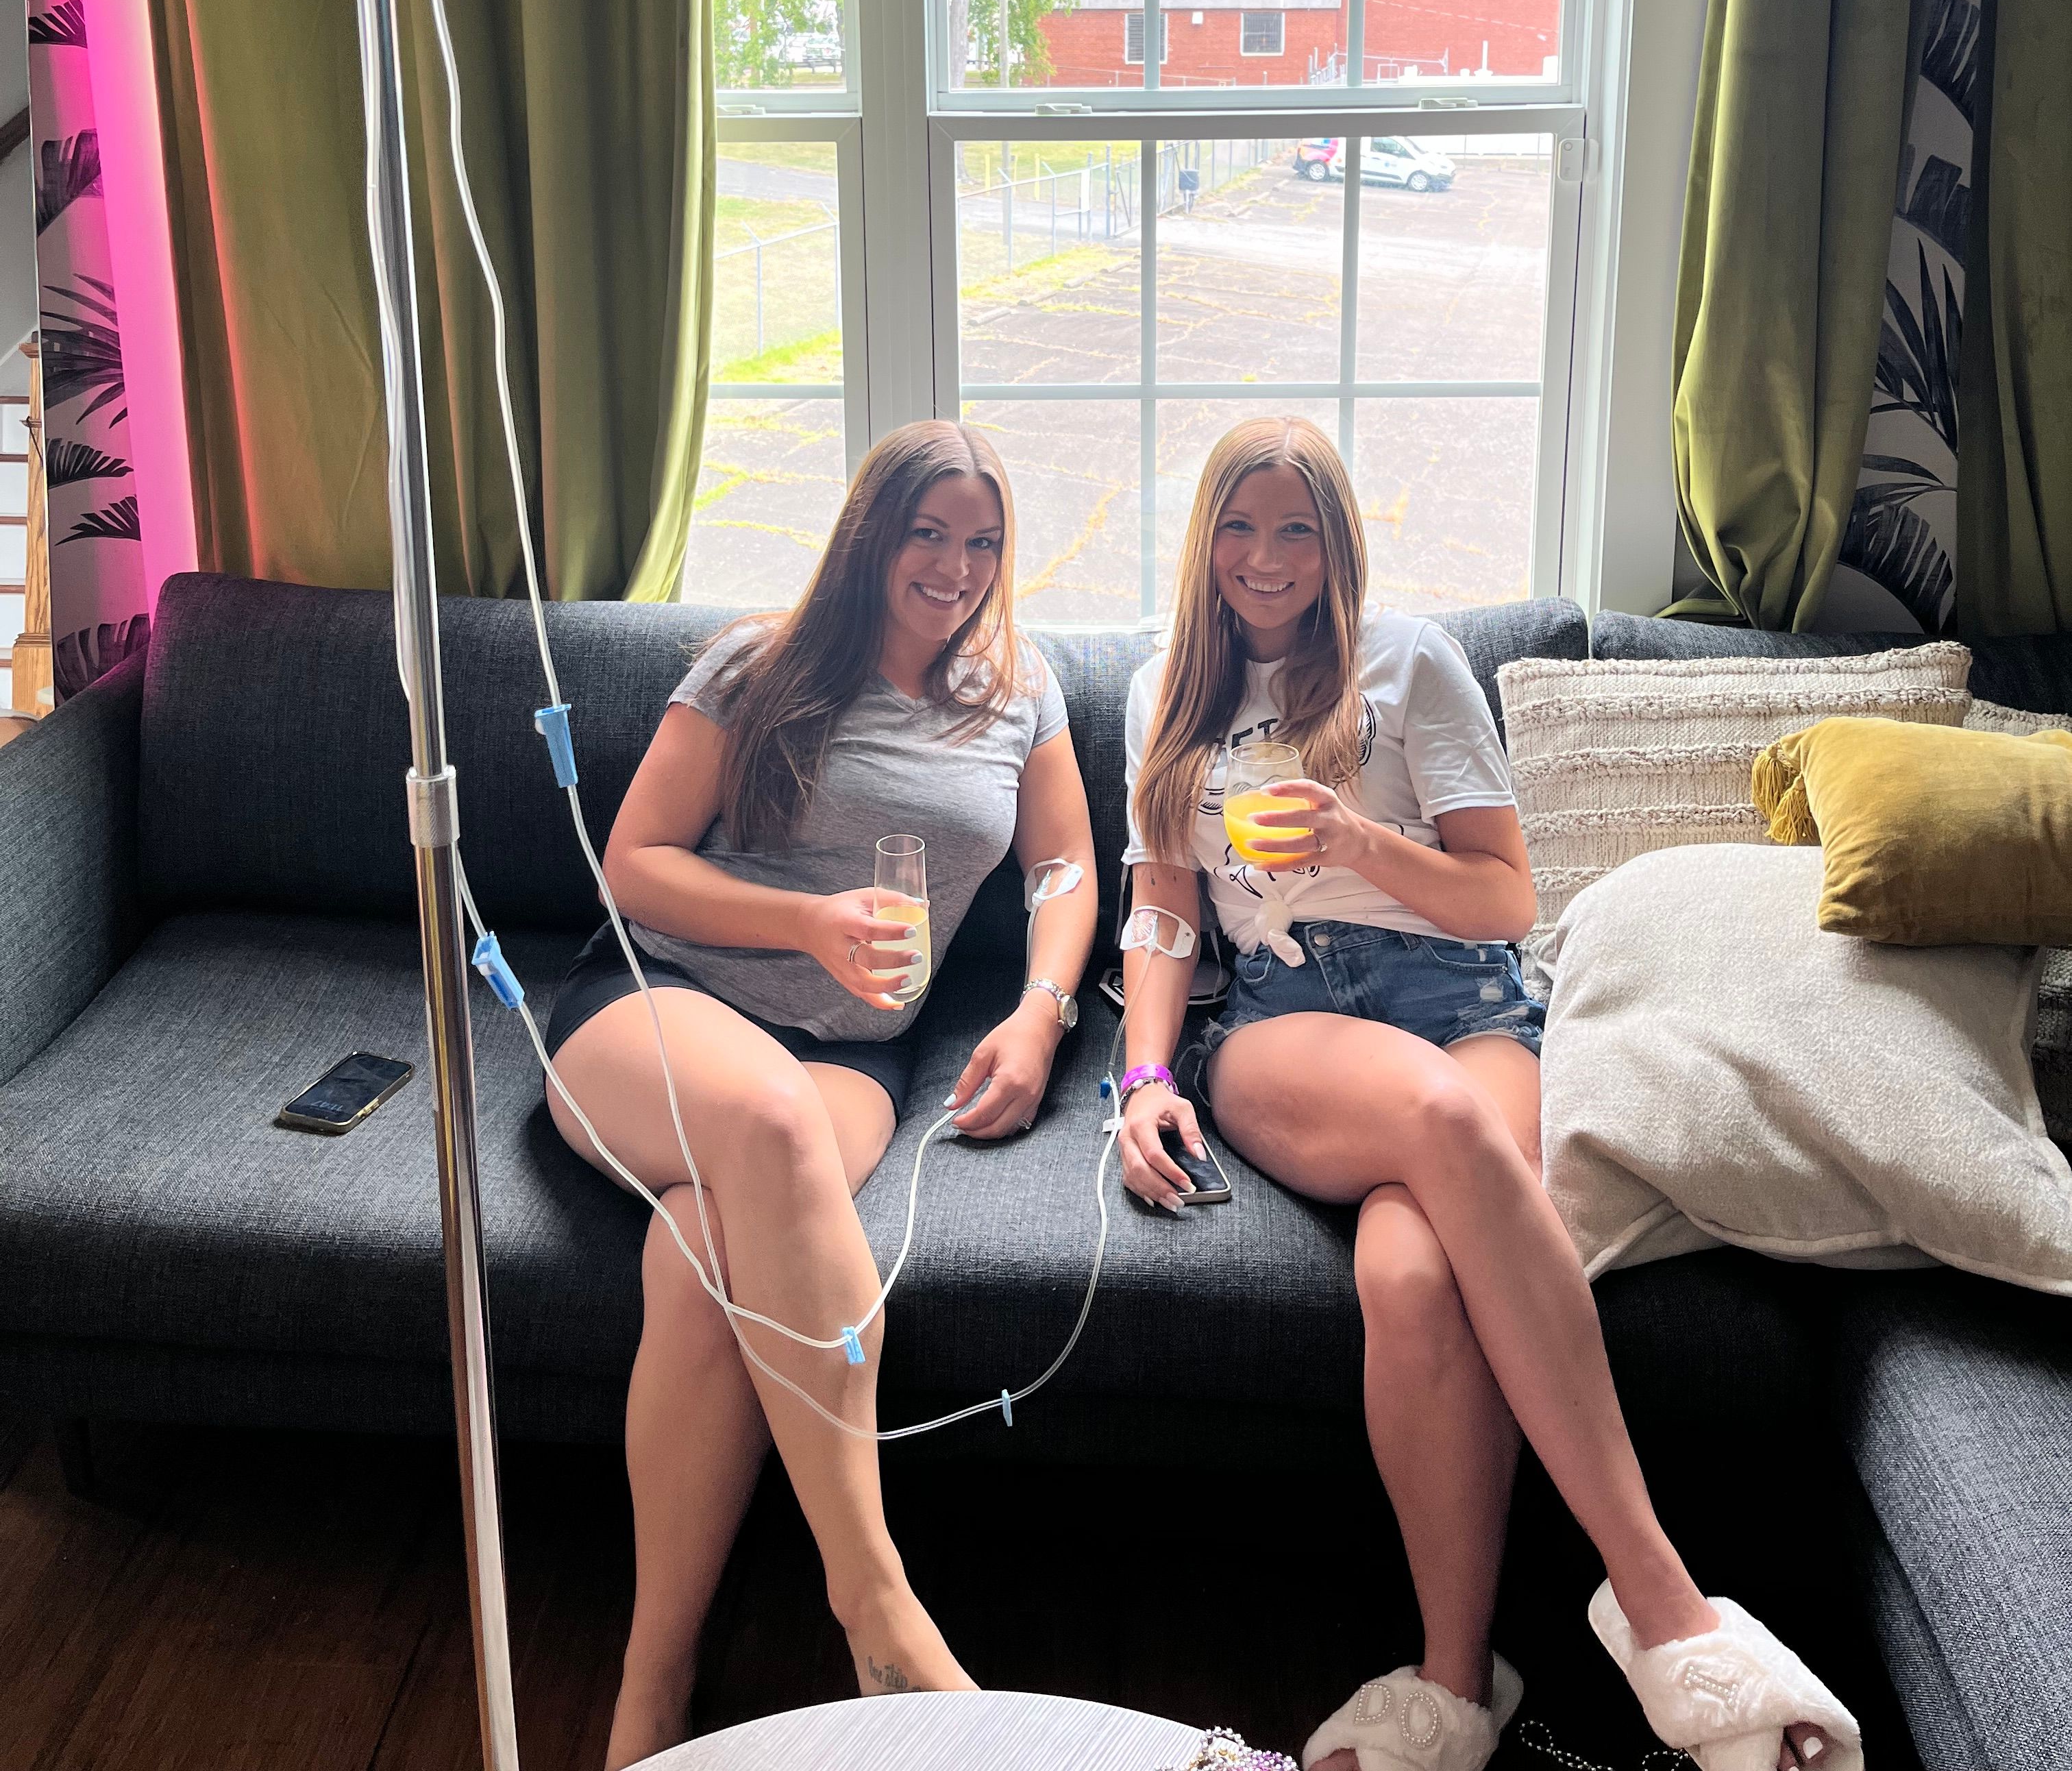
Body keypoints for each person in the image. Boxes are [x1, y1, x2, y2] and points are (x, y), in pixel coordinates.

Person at [1115, 417, 1858, 1771]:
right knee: (1448, 1131)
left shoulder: (1410, 663)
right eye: (1238, 526)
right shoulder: (1167, 687)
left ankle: (1452, 1689)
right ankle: (1669, 1611)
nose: (1264, 557)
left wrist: (1361, 841)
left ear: (1336, 541)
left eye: (1295, 528)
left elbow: (1506, 899)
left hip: (1462, 1005)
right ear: (1205, 541)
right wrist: (1144, 1079)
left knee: (1411, 1276)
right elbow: (1163, 909)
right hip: (1288, 1016)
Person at [545, 420, 1097, 1769]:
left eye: (982, 542)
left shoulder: (1021, 690)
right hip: (659, 1005)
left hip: (854, 1055)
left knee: (703, 1260)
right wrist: (802, 926)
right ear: (872, 535)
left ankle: (652, 1696)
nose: (955, 566)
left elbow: (1068, 869)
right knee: (770, 1126)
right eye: (929, 533)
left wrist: (1039, 1011)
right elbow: (634, 864)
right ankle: (881, 1606)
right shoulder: (760, 662)